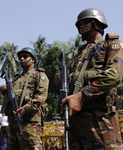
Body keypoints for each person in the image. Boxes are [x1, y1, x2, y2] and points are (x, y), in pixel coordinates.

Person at [54, 8, 123, 149]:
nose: (82, 26)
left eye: (87, 22)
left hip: (100, 119)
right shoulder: (79, 54)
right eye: (80, 24)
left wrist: (82, 95)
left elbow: (114, 75)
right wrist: (63, 78)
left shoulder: (111, 44)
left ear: (98, 24)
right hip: (76, 120)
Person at [0, 47, 49, 150]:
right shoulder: (16, 78)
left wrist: (25, 109)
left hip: (29, 122)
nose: (22, 59)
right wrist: (5, 91)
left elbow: (41, 96)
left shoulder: (39, 75)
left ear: (33, 59)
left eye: (25, 56)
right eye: (20, 57)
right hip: (13, 122)